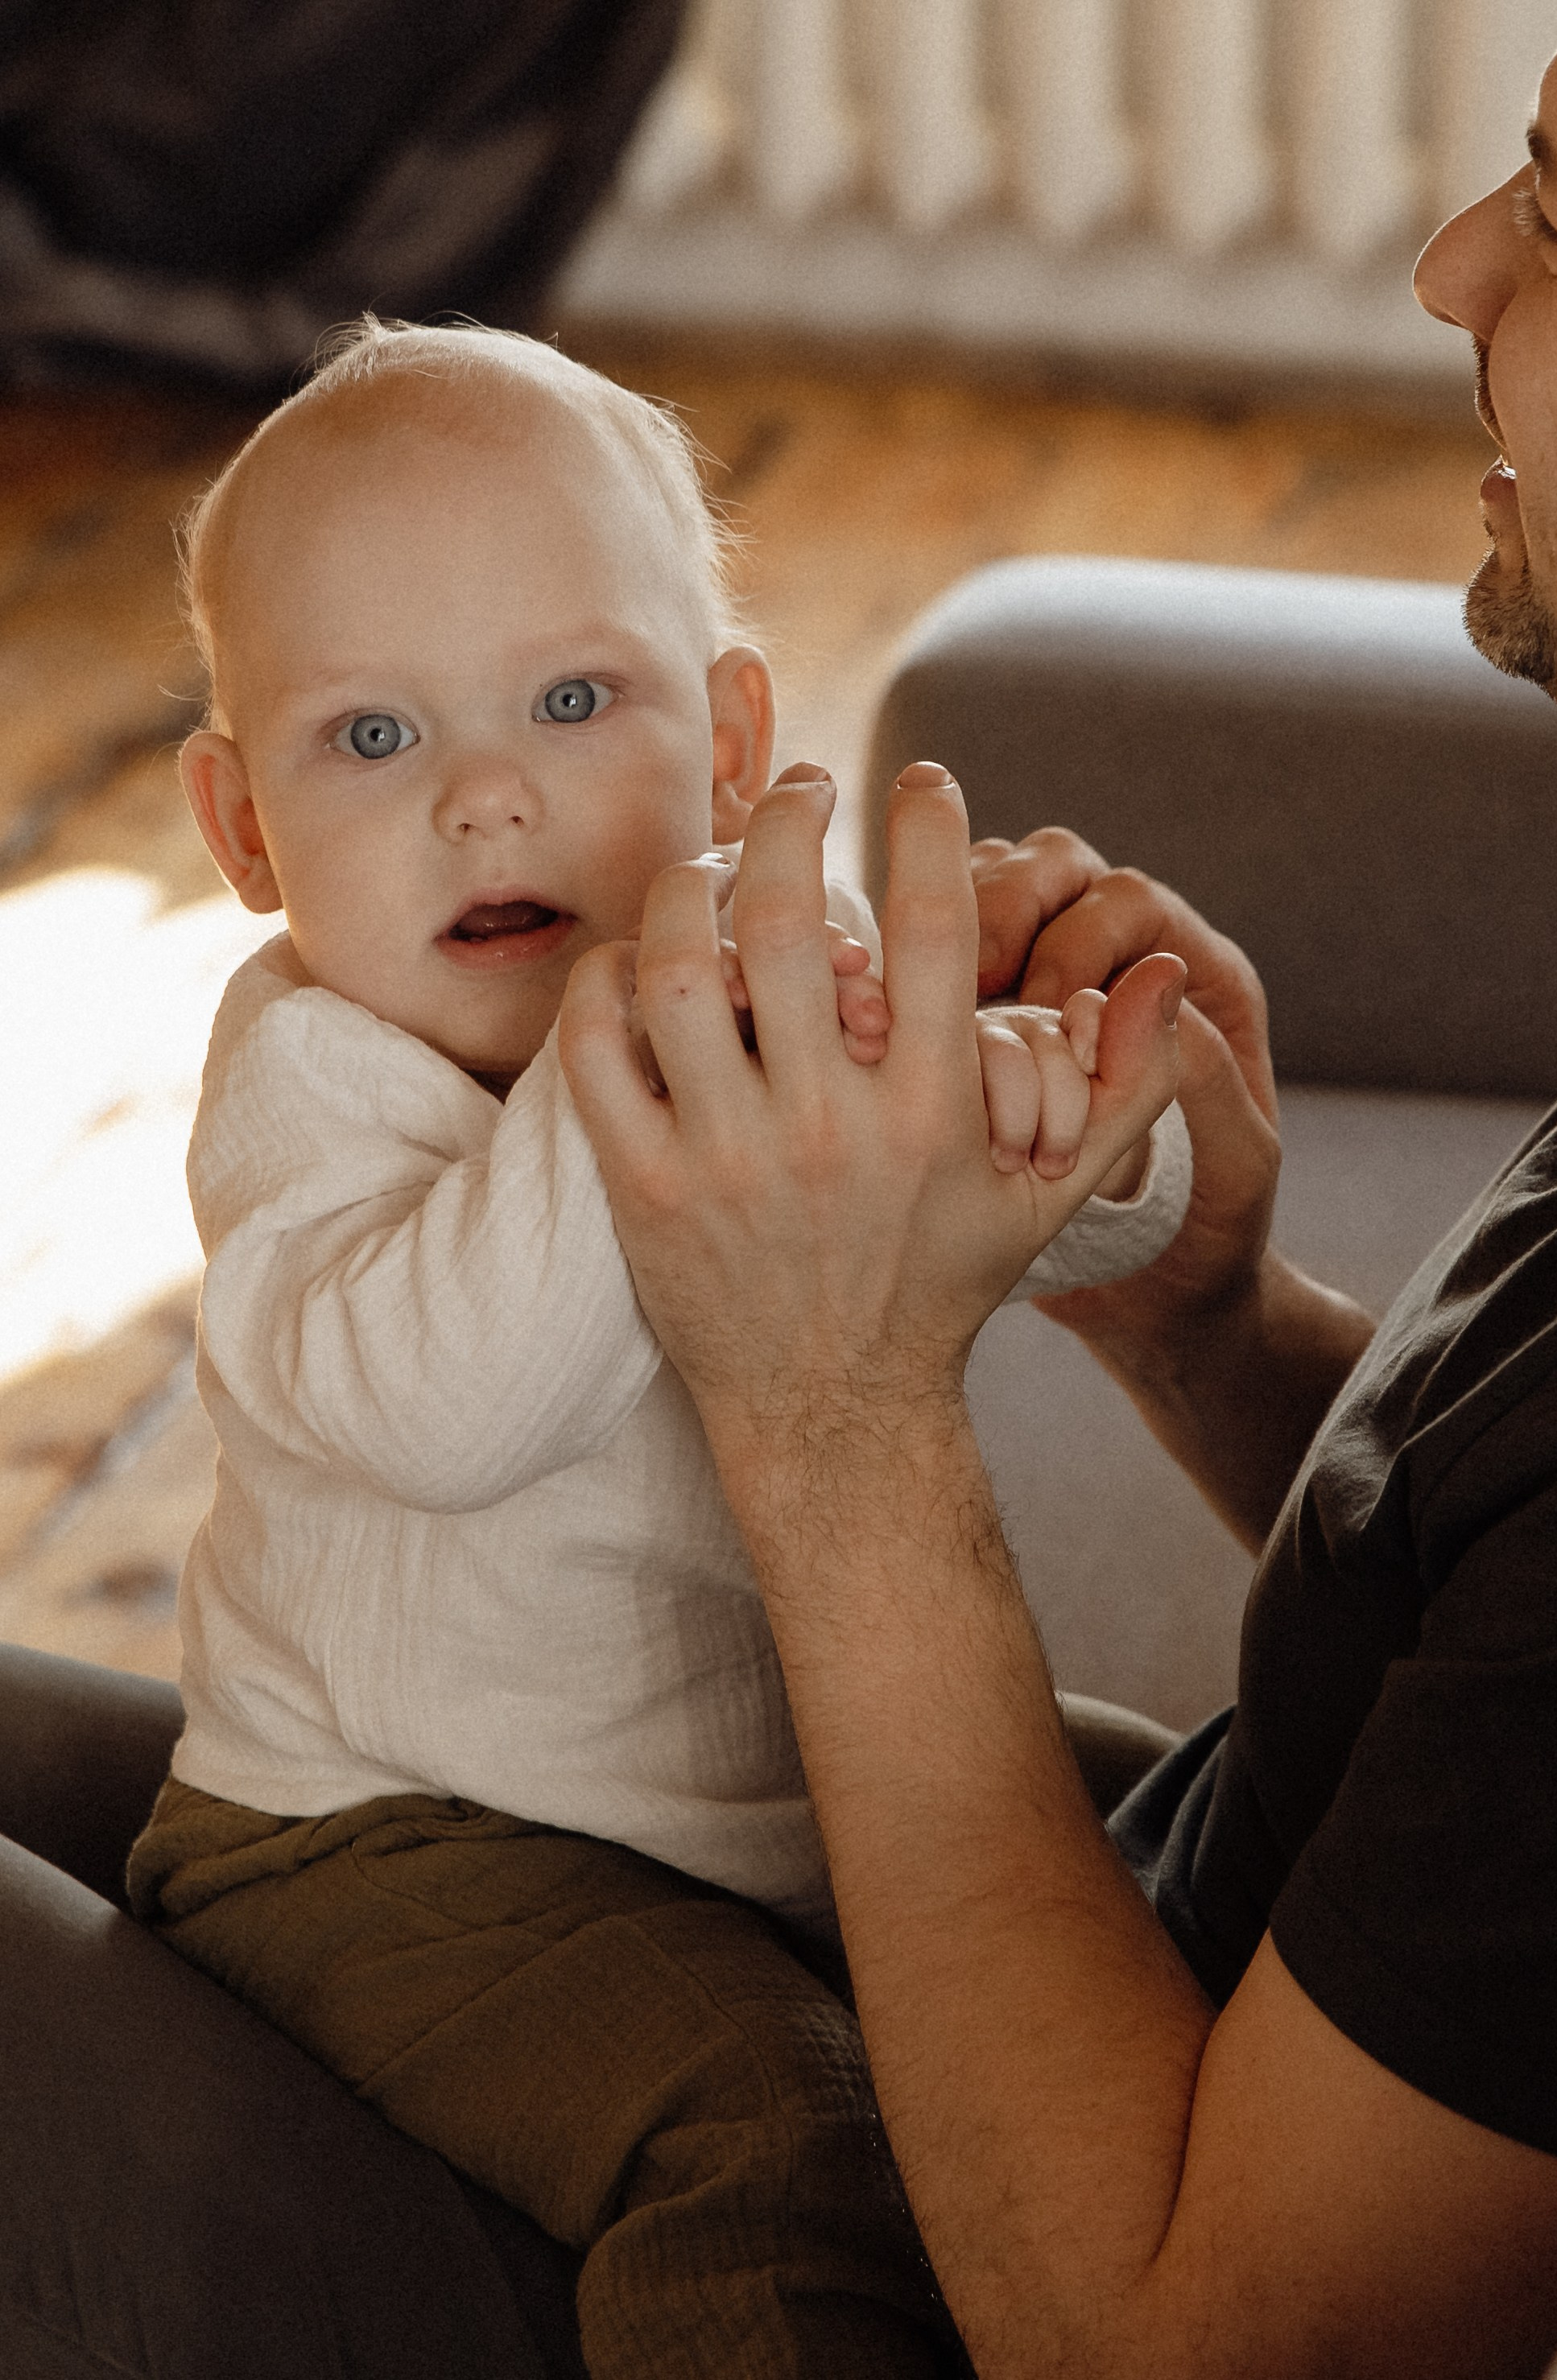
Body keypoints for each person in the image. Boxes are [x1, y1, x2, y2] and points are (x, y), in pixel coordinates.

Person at [555, 21, 1557, 2380]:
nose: (1442, 271)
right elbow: (1514, 1669)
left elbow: (1198, 2349)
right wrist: (1206, 1320)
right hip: (1091, 1978)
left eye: (1547, 222)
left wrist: (827, 1402)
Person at [124, 318, 1191, 2380]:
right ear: (241, 830)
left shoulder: (755, 980)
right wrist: (637, 1049)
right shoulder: (311, 1084)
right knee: (778, 2135)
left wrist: (1086, 1104)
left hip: (751, 1796)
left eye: (570, 698)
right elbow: (448, 1412)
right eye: (369, 741)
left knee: (1160, 1810)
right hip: (395, 1839)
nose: (486, 796)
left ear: (725, 747)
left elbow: (1031, 1223)